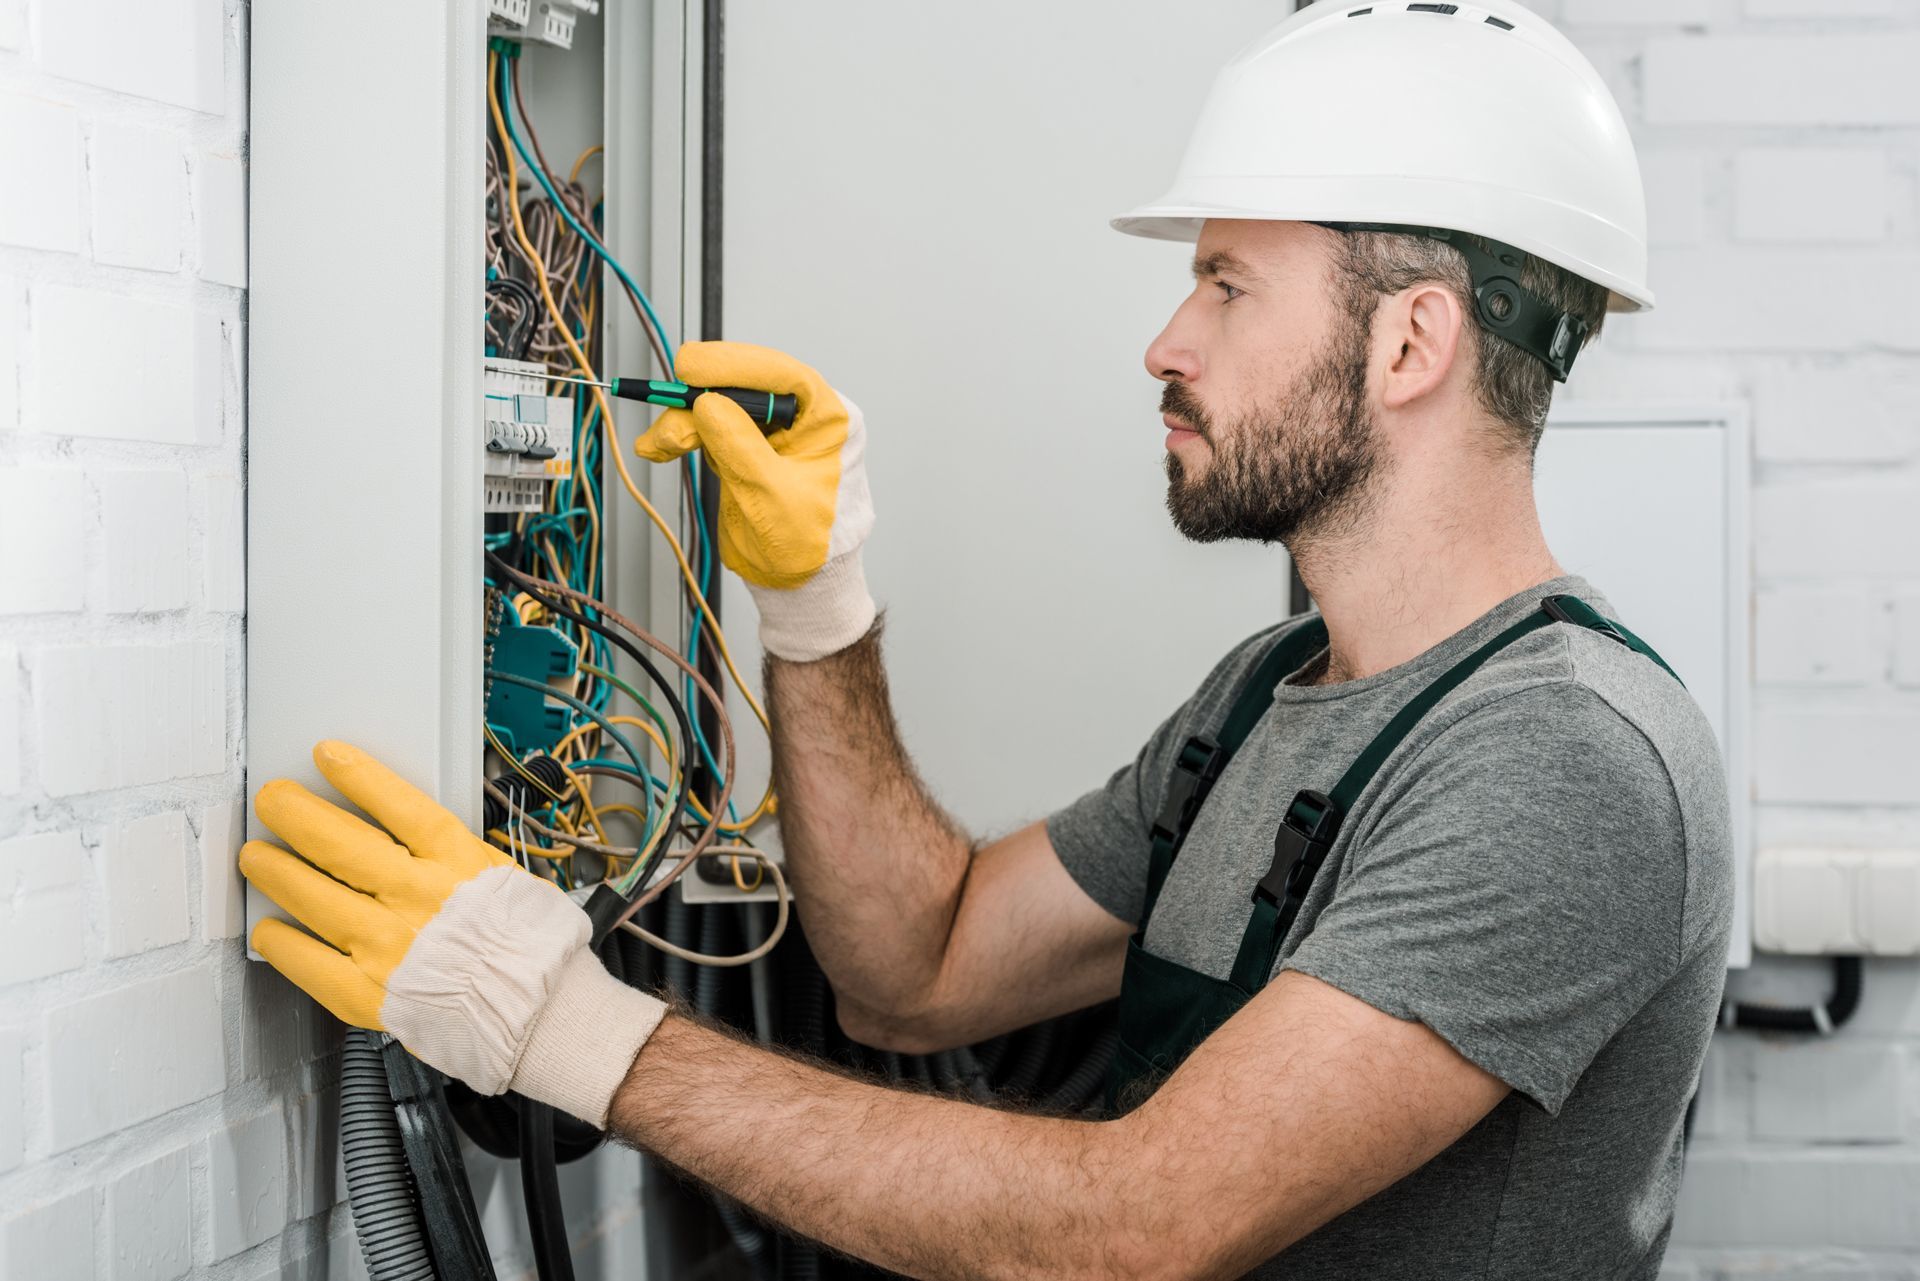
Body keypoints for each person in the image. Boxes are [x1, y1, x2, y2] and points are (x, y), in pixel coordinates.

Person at [240, 2, 1733, 1276]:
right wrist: (818, 608)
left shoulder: (1564, 759)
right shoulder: (1274, 694)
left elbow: (1144, 1225)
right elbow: (921, 961)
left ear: (1411, 343)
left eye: (1227, 283)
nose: (1168, 338)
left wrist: (570, 1031)